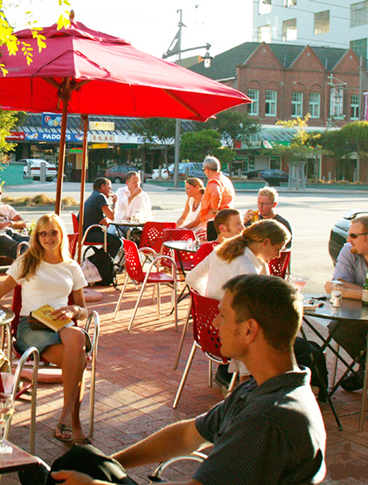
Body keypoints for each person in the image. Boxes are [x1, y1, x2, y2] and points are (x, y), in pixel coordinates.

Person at [46, 275, 326, 485]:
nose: (214, 323)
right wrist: (106, 464)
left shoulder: (267, 418)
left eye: (223, 316)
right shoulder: (266, 387)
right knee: (84, 459)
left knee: (74, 470)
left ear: (249, 330)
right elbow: (186, 435)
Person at [0, 214, 91, 443]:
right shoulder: (27, 261)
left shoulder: (72, 267)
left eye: (53, 232)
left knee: (76, 338)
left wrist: (72, 311)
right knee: (77, 357)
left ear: (61, 234)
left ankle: (68, 416)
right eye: (43, 233)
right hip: (30, 326)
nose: (49, 238)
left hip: (61, 324)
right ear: (37, 237)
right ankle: (73, 420)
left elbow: (83, 309)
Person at [186, 219, 290, 390]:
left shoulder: (222, 251)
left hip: (207, 330)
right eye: (278, 249)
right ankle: (257, 386)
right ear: (265, 243)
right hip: (229, 337)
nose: (278, 255)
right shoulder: (246, 267)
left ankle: (234, 377)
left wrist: (211, 302)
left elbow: (191, 278)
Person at [324, 215, 368, 391]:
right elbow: (338, 284)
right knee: (337, 327)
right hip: (358, 314)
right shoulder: (349, 250)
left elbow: (342, 289)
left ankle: (363, 373)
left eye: (354, 236)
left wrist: (350, 292)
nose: (349, 239)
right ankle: (365, 369)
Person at [186, 156, 235, 241]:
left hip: (215, 220)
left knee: (213, 248)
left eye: (203, 169)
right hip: (227, 217)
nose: (204, 172)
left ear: (207, 169)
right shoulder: (225, 179)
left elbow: (216, 193)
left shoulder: (214, 181)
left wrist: (214, 209)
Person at [82, 177, 121, 258]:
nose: (110, 191)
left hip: (86, 232)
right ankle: (102, 264)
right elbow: (112, 216)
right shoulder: (100, 196)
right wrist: (114, 204)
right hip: (91, 233)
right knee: (117, 241)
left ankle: (98, 261)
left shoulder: (94, 195)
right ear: (103, 186)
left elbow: (107, 215)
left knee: (112, 238)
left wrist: (107, 218)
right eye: (109, 188)